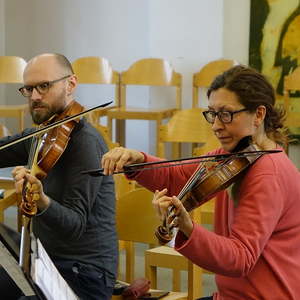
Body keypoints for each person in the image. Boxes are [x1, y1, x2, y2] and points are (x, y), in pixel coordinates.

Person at [102, 65, 300, 299]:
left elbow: (240, 258)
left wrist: (188, 227)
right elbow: (179, 178)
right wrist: (137, 160)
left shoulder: (267, 174)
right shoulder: (237, 155)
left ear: (259, 114)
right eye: (212, 114)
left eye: (226, 114)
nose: (216, 125)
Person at [0, 53, 118, 300]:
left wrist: (42, 200)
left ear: (71, 84)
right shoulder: (42, 135)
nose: (34, 97)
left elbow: (74, 226)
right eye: (29, 89)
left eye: (44, 86)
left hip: (84, 274)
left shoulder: (85, 142)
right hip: (44, 263)